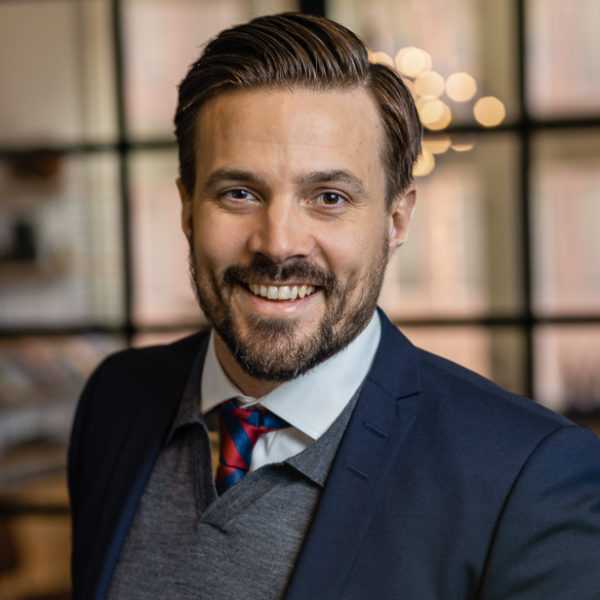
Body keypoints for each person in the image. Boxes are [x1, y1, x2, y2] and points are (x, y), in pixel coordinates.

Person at [68, 12, 600, 600]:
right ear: (188, 208)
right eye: (239, 193)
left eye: (329, 197)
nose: (278, 244)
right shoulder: (115, 399)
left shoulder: (527, 477)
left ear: (396, 221)